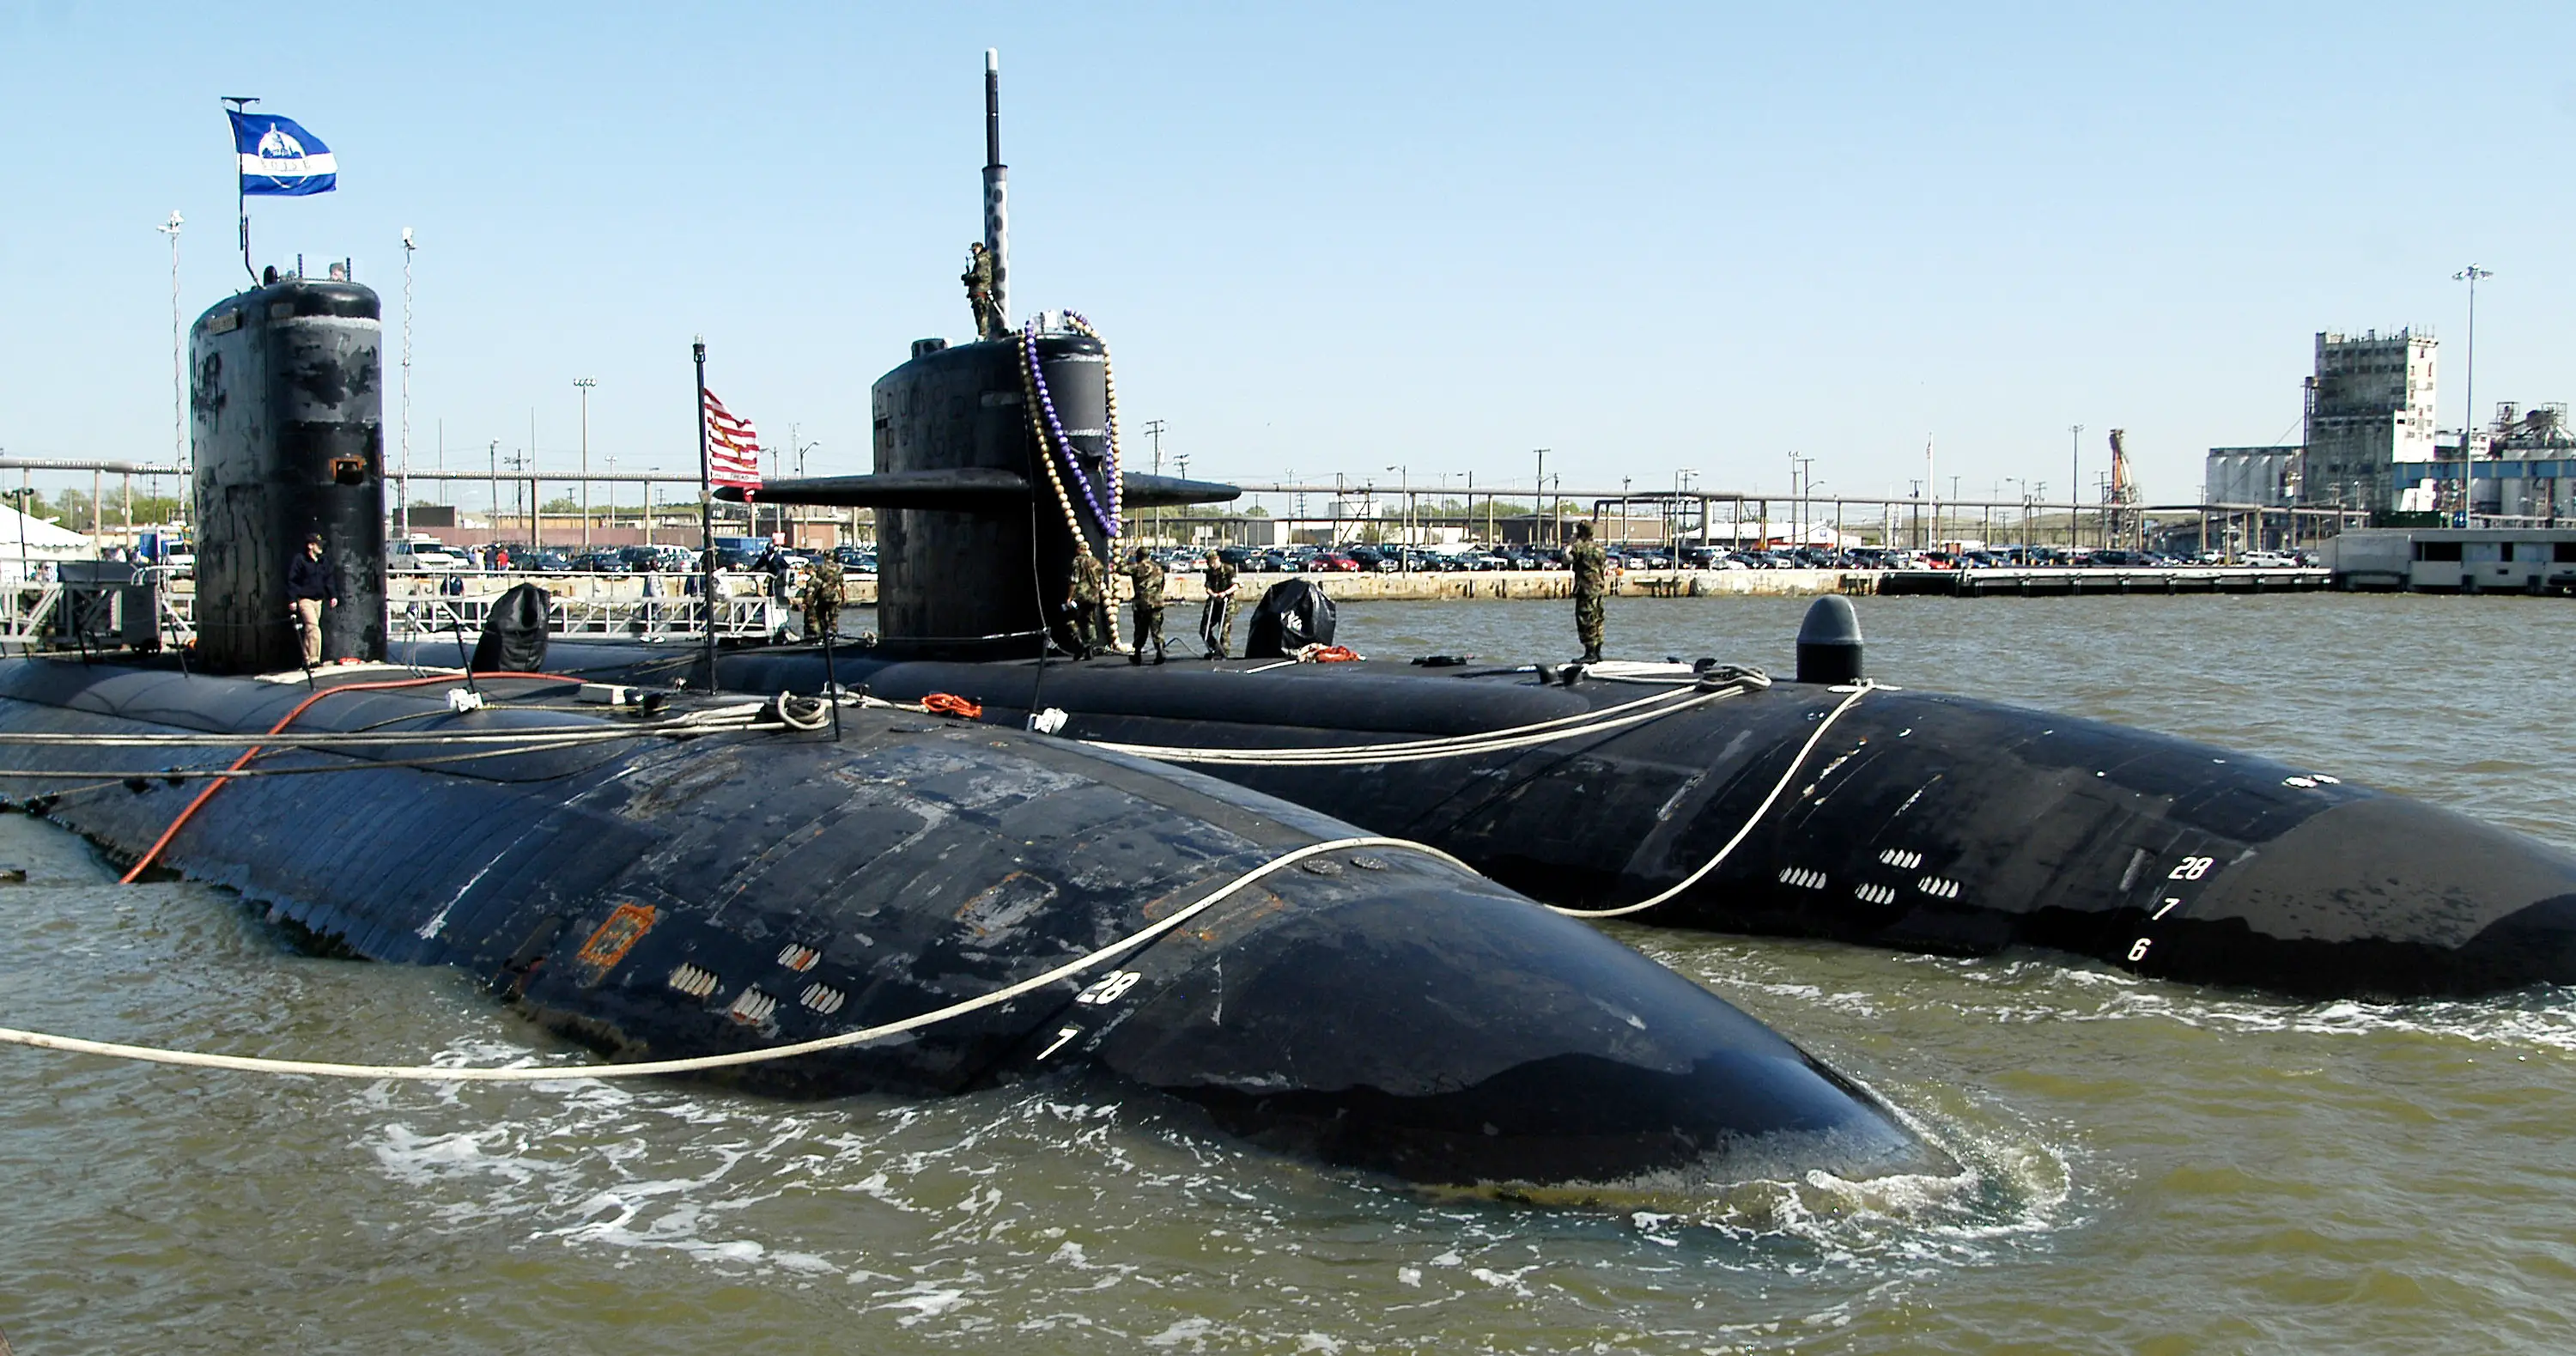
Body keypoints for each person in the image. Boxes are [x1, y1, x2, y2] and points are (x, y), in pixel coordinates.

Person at [286, 532, 337, 666]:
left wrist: (333, 595)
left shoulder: (323, 561)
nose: (321, 548)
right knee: (314, 628)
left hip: (318, 600)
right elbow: (293, 581)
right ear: (310, 545)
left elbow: (328, 579)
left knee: (309, 629)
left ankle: (306, 660)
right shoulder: (300, 560)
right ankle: (314, 660)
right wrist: (292, 599)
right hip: (305, 600)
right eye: (318, 545)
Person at [1568, 520, 1608, 663]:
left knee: (1585, 619)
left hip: (1585, 588)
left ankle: (1589, 653)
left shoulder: (1580, 547)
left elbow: (1567, 560)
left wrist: (1569, 545)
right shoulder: (1600, 548)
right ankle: (1598, 652)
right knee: (1598, 618)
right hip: (1598, 587)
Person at [1123, 547, 1166, 666]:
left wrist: (1126, 556)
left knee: (1140, 630)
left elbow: (1120, 569)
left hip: (1141, 603)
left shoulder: (1137, 567)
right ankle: (1160, 651)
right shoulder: (1158, 568)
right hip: (1157, 602)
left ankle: (1137, 655)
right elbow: (1162, 584)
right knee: (1157, 629)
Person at [1066, 548, 1107, 658]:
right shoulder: (1096, 562)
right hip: (1093, 596)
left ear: (1079, 550)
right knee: (1089, 620)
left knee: (1070, 619)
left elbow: (1074, 580)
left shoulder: (1077, 561)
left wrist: (1070, 598)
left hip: (1080, 596)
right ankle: (1089, 645)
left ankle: (1079, 643)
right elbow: (1101, 579)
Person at [1198, 550, 1238, 659]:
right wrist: (1213, 594)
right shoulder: (1210, 572)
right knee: (1204, 628)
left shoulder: (1228, 569)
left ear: (1217, 559)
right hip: (1214, 601)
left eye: (1211, 562)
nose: (1210, 565)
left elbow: (1235, 586)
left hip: (1227, 602)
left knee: (1224, 629)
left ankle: (1224, 653)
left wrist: (1224, 593)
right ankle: (1215, 649)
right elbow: (1208, 587)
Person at [962, 242, 1005, 341]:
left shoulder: (982, 260)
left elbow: (980, 276)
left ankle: (983, 335)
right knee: (980, 315)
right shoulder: (980, 261)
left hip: (981, 291)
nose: (973, 252)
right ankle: (982, 334)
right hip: (978, 291)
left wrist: (968, 277)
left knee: (981, 315)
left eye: (975, 250)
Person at [803, 550, 846, 642]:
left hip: (823, 596)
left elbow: (816, 583)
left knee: (821, 617)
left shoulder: (820, 567)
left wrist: (811, 597)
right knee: (833, 619)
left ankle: (824, 636)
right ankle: (833, 637)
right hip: (834, 597)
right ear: (833, 557)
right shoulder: (838, 568)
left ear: (824, 557)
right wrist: (844, 597)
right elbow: (842, 584)